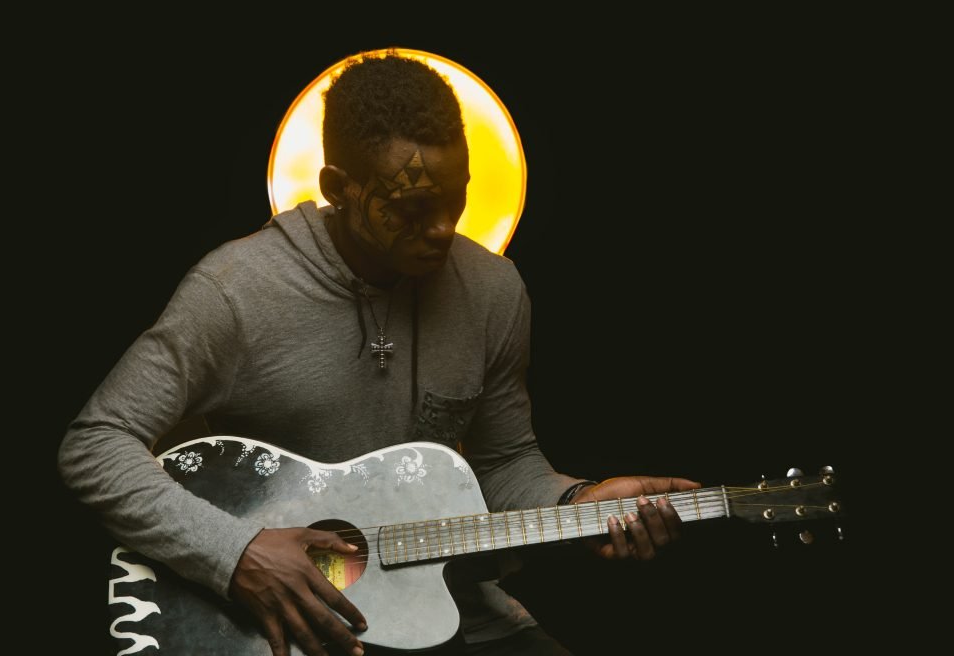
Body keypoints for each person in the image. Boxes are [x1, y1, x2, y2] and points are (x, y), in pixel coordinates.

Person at [58, 52, 699, 656]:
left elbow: (504, 464)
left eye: (455, 198)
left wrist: (578, 502)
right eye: (412, 208)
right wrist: (237, 554)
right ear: (338, 186)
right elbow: (95, 443)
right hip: (284, 623)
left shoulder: (494, 290)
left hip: (448, 605)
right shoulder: (235, 292)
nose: (443, 229)